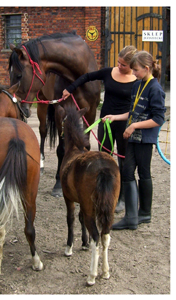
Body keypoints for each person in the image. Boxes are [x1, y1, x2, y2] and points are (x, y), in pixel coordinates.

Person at [62, 46, 137, 213]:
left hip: (123, 123)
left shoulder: (136, 80)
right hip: (105, 122)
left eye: (123, 64)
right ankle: (102, 191)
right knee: (104, 158)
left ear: (132, 66)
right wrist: (70, 88)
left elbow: (136, 108)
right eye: (118, 62)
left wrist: (119, 118)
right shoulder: (109, 72)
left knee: (123, 161)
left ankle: (121, 197)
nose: (119, 66)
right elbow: (88, 77)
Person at [102, 50, 166, 230]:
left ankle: (144, 213)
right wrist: (115, 117)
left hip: (144, 139)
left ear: (146, 68)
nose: (134, 73)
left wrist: (134, 126)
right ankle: (131, 217)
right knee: (127, 171)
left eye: (136, 70)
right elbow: (133, 112)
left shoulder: (155, 89)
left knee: (144, 173)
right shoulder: (138, 85)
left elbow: (158, 118)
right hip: (133, 137)